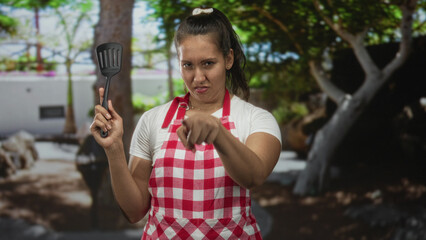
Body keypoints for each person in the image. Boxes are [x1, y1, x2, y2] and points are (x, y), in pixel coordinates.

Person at [90, 7, 282, 239]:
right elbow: (134, 211)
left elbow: (253, 176)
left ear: (228, 59)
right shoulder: (153, 121)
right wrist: (114, 149)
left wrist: (217, 132)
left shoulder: (255, 119)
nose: (198, 77)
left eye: (208, 63)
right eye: (188, 65)